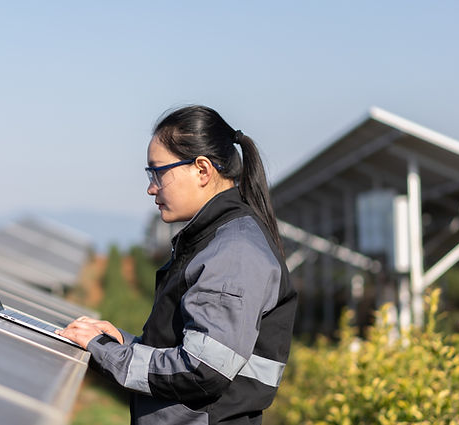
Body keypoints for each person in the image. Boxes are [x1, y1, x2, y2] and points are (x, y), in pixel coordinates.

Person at [58, 105, 297, 425]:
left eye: (158, 172)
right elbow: (191, 348)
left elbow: (201, 369)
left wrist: (106, 351)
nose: (151, 187)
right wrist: (123, 342)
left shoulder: (233, 254)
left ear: (202, 170)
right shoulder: (217, 240)